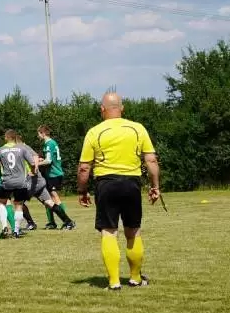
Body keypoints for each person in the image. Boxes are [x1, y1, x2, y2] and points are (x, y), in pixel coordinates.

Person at [77, 91, 160, 291]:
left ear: (102, 109)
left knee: (108, 232)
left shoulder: (94, 132)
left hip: (106, 184)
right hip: (132, 184)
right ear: (122, 108)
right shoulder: (138, 128)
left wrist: (82, 191)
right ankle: (135, 278)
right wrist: (155, 186)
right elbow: (151, 160)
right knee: (133, 231)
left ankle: (114, 282)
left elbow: (84, 168)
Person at [0, 129, 37, 238]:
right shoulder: (22, 148)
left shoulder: (0, 150)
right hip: (21, 182)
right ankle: (16, 231)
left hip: (7, 182)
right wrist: (33, 171)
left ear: (6, 138)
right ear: (15, 137)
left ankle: (4, 227)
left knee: (2, 203)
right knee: (19, 205)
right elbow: (32, 162)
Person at [21, 143, 75, 230]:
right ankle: (68, 222)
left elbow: (33, 162)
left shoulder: (20, 150)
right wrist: (39, 161)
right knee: (49, 202)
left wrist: (34, 168)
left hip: (31, 182)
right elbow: (36, 157)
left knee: (19, 203)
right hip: (40, 181)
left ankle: (31, 223)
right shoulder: (27, 148)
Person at [37, 125, 77, 228]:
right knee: (50, 198)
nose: (38, 136)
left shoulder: (49, 144)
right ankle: (52, 222)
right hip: (52, 173)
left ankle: (67, 221)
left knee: (54, 198)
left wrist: (36, 163)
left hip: (53, 174)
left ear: (43, 133)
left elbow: (48, 161)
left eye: (39, 133)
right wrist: (42, 160)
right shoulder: (51, 143)